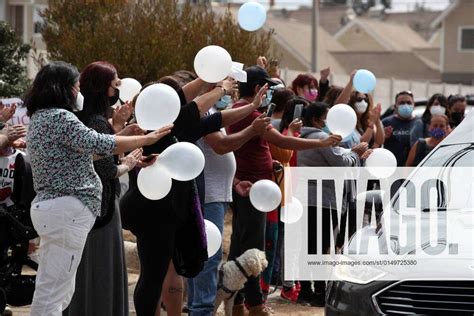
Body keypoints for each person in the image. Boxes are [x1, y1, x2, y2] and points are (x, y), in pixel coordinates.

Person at [24, 61, 173, 316]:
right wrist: (147, 139)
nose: (78, 92)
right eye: (75, 86)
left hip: (52, 209)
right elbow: (99, 143)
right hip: (66, 210)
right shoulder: (61, 118)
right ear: (65, 89)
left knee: (55, 289)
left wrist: (127, 161)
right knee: (54, 294)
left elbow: (78, 154)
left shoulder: (39, 118)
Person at [120, 74, 277, 316]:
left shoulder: (177, 125)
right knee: (152, 275)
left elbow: (217, 119)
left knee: (164, 272)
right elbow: (196, 106)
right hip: (152, 211)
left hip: (171, 210)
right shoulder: (155, 125)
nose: (182, 100)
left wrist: (253, 107)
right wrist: (219, 88)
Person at [227, 66, 341, 316]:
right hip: (253, 189)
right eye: (267, 87)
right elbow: (281, 141)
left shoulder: (240, 111)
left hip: (254, 186)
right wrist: (320, 142)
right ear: (258, 89)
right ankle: (254, 303)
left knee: (240, 245)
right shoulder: (249, 114)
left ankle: (236, 300)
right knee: (253, 249)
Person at [63, 61, 148, 316]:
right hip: (101, 210)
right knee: (99, 270)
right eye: (116, 83)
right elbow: (106, 169)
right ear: (104, 88)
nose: (119, 88)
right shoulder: (97, 122)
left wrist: (120, 133)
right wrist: (129, 161)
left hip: (83, 208)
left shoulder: (79, 119)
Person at [187, 96, 271, 316]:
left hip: (219, 194)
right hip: (208, 196)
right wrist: (252, 129)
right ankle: (202, 311)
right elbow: (221, 146)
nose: (232, 88)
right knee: (208, 259)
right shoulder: (202, 111)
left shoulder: (213, 109)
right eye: (229, 81)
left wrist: (233, 183)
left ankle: (204, 308)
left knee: (210, 257)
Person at [297, 102, 371, 307]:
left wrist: (352, 154)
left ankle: (305, 291)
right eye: (327, 118)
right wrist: (356, 154)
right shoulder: (321, 138)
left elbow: (338, 157)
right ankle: (320, 292)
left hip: (306, 198)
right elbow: (341, 164)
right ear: (316, 120)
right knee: (321, 248)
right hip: (321, 200)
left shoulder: (303, 136)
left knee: (308, 246)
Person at [382, 91, 422, 166]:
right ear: (395, 106)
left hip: (413, 169)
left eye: (409, 102)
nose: (405, 105)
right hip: (391, 168)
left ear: (414, 105)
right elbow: (377, 145)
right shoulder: (386, 123)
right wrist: (383, 137)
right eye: (402, 103)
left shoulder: (420, 123)